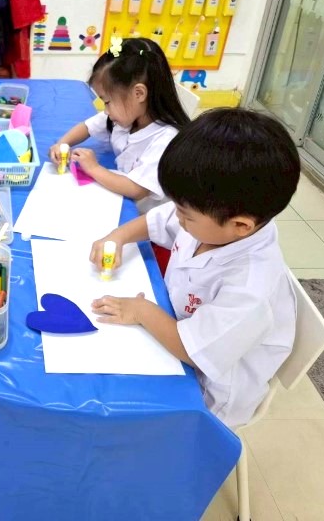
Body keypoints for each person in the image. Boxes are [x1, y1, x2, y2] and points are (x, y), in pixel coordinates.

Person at [89, 108, 300, 428]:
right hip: (175, 330)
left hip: (205, 397)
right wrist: (118, 236)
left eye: (185, 215)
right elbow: (159, 219)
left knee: (107, 400)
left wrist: (142, 311)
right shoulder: (213, 220)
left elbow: (193, 351)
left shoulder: (251, 288)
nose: (178, 218)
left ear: (240, 225)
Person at [49, 37, 190, 214]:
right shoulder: (127, 116)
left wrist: (94, 168)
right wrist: (62, 144)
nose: (106, 111)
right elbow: (87, 127)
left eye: (107, 102)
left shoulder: (165, 139)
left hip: (145, 218)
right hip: (120, 200)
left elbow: (136, 189)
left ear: (138, 94)